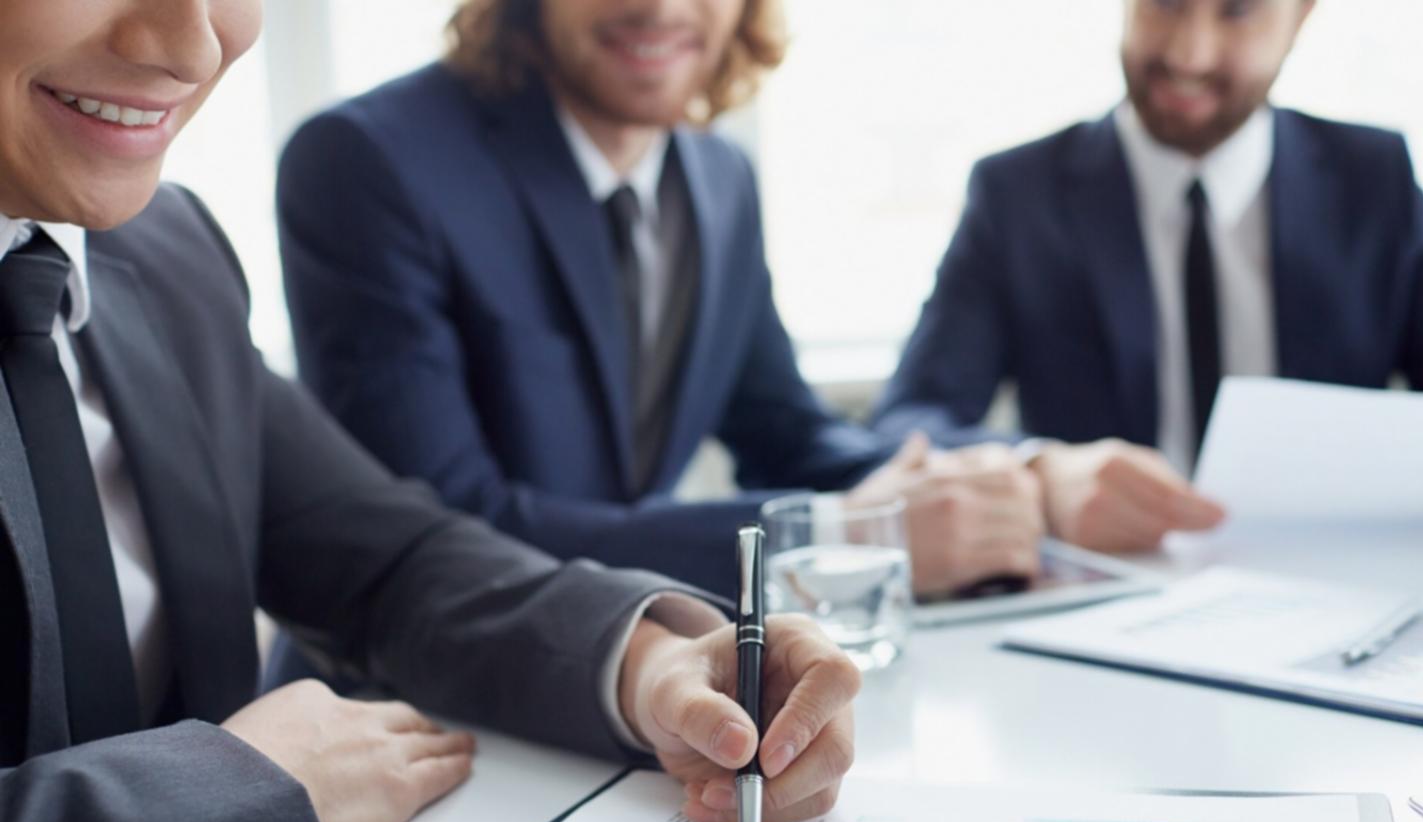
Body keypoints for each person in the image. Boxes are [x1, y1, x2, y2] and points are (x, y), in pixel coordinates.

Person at [0, 2, 861, 822]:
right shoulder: (371, 159)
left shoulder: (162, 254)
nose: (192, 44)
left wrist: (652, 665)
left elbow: (386, 560)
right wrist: (213, 802)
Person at [275, 0, 1045, 601]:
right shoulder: (366, 161)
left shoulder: (719, 177)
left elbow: (786, 432)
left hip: (638, 686)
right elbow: (444, 527)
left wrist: (1001, 484)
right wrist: (832, 534)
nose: (659, 8)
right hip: (407, 708)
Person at [873, 0, 1423, 553]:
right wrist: (1041, 471)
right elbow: (910, 421)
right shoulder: (1018, 194)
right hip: (1106, 594)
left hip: (1335, 582)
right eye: (1166, 2)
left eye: (1236, 12)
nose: (1189, 54)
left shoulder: (1374, 179)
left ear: (1299, 17)